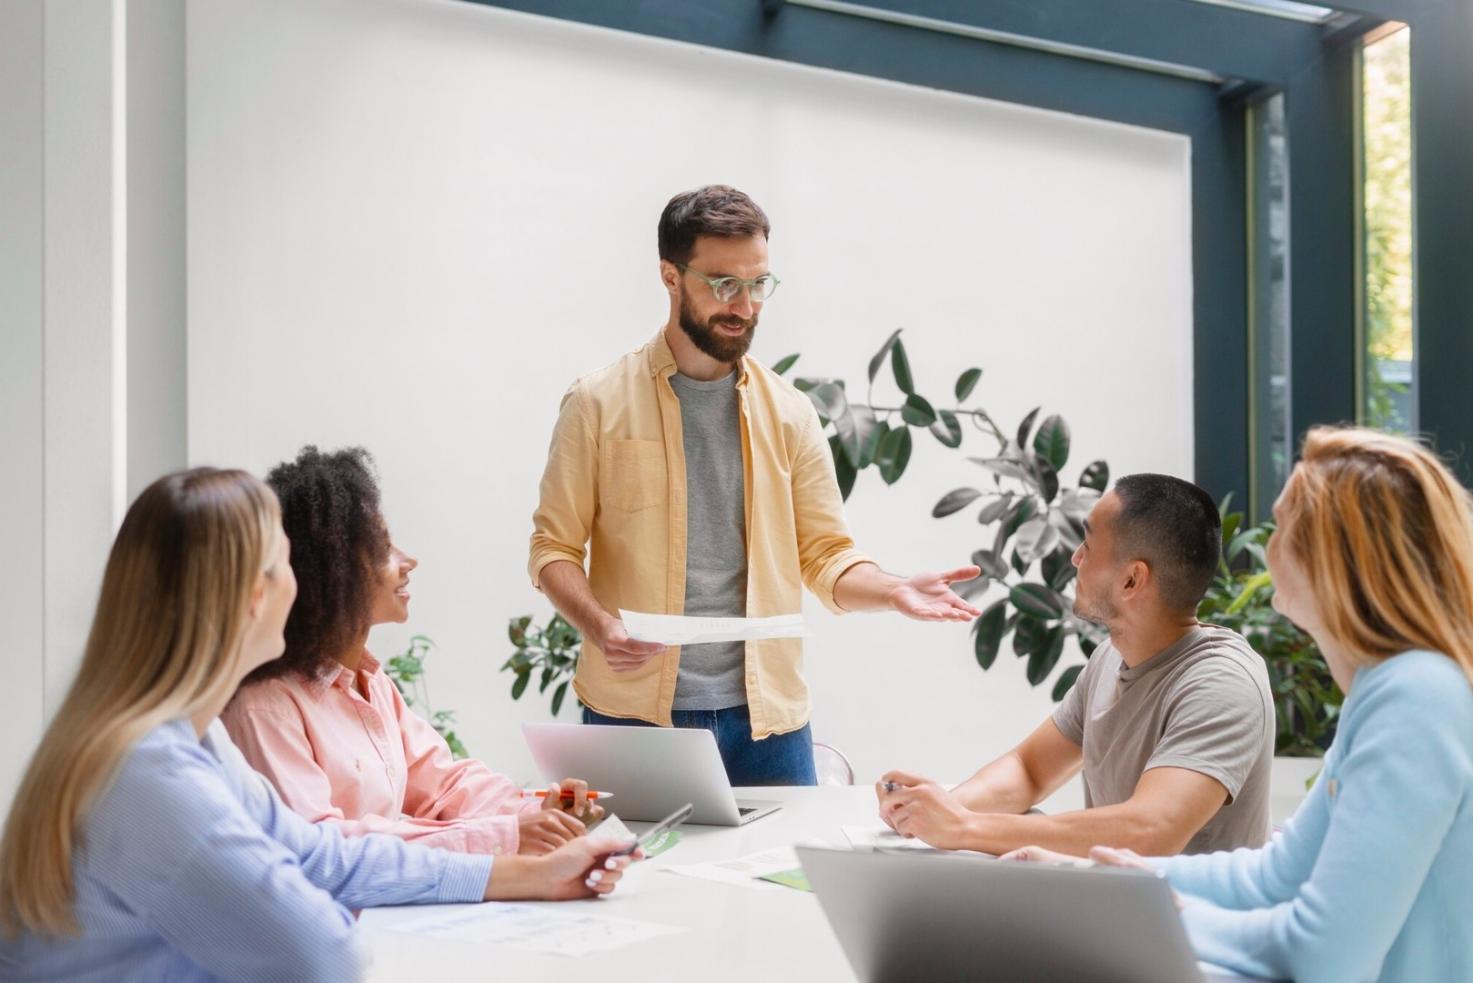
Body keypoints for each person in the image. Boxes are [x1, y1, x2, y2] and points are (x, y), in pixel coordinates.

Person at [0, 468, 635, 983]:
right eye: (285, 567)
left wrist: (532, 875)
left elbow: (319, 856)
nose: (301, 587)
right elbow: (321, 953)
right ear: (254, 595)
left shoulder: (184, 738)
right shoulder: (149, 778)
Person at [528, 184, 982, 785]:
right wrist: (598, 625)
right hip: (634, 716)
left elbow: (826, 556)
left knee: (780, 880)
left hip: (769, 725)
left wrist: (895, 590)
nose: (744, 305)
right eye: (723, 284)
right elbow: (552, 550)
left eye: (757, 283)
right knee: (637, 880)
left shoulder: (791, 412)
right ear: (670, 276)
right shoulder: (597, 403)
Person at [1008, 427, 1473, 983]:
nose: (1265, 546)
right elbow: (1272, 878)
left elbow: (1324, 956)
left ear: (1329, 555)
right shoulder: (1384, 692)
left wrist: (1164, 915)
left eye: (1280, 527)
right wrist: (1106, 882)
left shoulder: (1415, 698)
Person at [225, 446, 596, 858]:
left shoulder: (371, 684)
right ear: (331, 571)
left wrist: (536, 811)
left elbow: (443, 786)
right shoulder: (266, 707)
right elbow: (322, 849)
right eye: (383, 547)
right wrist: (507, 835)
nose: (408, 561)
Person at [878, 473, 1275, 856]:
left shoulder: (1222, 683)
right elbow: (1029, 770)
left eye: (1088, 544)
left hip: (1190, 924)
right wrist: (934, 809)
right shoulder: (1110, 657)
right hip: (1115, 912)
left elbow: (1151, 831)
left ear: (1132, 580)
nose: (1075, 557)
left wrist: (963, 828)